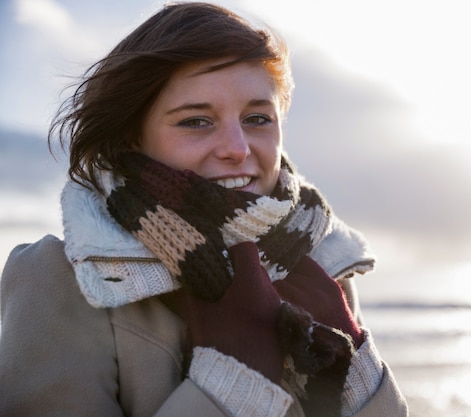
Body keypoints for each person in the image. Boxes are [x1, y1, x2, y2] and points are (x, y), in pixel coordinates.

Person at [0, 2, 409, 416]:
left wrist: (356, 371)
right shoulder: (60, 278)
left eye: (257, 118)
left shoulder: (321, 263)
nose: (237, 148)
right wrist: (231, 384)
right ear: (130, 140)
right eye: (196, 121)